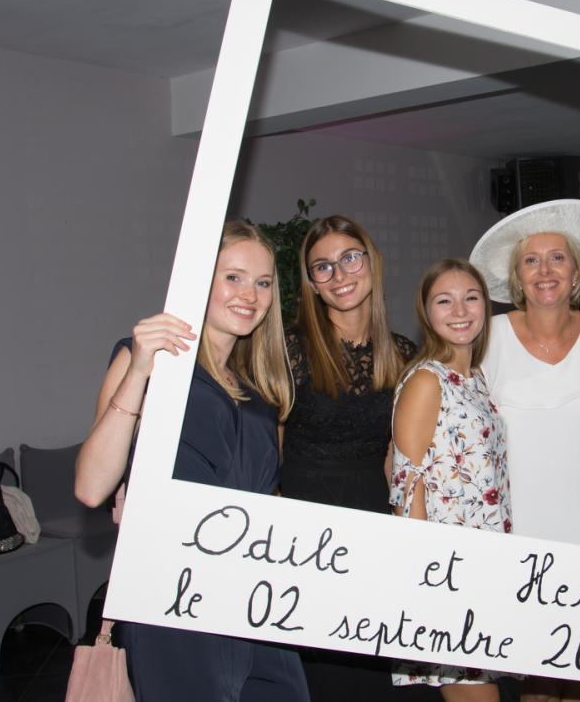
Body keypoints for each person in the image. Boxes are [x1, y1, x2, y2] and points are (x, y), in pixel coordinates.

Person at [74, 220, 309, 702]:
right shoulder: (147, 361)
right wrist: (139, 370)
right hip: (175, 602)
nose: (250, 295)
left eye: (263, 282)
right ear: (199, 279)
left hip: (256, 601)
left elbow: (267, 499)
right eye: (233, 277)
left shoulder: (261, 392)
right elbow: (92, 487)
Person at [278, 214, 432, 701]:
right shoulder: (289, 349)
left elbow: (397, 455)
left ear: (372, 263)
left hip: (372, 518)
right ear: (311, 283)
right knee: (325, 675)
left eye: (350, 258)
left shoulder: (402, 352)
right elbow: (268, 445)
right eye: (322, 267)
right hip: (305, 525)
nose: (339, 275)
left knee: (374, 665)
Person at [469, 199, 580, 702]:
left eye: (557, 258)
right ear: (517, 277)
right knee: (535, 680)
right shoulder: (484, 339)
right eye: (531, 260)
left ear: (576, 272)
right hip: (517, 535)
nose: (545, 271)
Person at [390, 258, 510, 701]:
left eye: (471, 298)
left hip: (483, 568)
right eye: (445, 300)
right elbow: (405, 484)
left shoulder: (475, 379)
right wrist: (432, 584)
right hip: (448, 576)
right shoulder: (427, 379)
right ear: (426, 311)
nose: (460, 310)